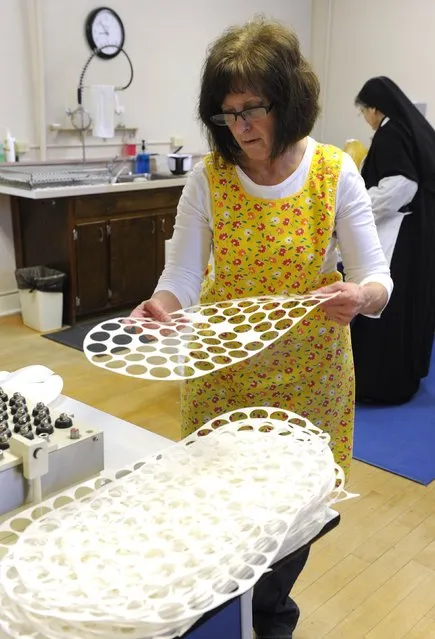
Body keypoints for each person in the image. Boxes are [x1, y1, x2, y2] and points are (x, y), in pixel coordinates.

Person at [131, 19, 392, 639]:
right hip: (225, 372)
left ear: (290, 99)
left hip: (312, 381)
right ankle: (231, 612)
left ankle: (270, 611)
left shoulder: (334, 173)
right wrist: (163, 306)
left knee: (296, 517)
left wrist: (360, 296)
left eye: (253, 110)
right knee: (218, 511)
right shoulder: (210, 177)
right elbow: (183, 274)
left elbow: (377, 276)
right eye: (227, 115)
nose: (240, 128)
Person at [352, 76, 435, 404]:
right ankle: (405, 377)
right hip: (419, 234)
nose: (367, 120)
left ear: (375, 108)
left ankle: (379, 384)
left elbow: (401, 186)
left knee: (387, 306)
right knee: (410, 303)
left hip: (399, 236)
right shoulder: (414, 129)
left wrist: (355, 212)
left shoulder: (389, 132)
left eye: (364, 112)